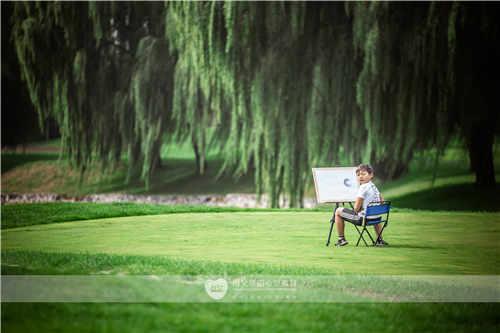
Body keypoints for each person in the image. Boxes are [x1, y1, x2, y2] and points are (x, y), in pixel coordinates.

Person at [334, 164, 388, 247]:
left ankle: (341, 239)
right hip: (376, 219)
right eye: (358, 175)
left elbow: (356, 209)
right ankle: (379, 240)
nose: (360, 177)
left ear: (371, 175)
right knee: (373, 212)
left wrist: (359, 208)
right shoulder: (373, 186)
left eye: (363, 174)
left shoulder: (363, 188)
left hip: (363, 219)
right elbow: (382, 202)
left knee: (338, 211)